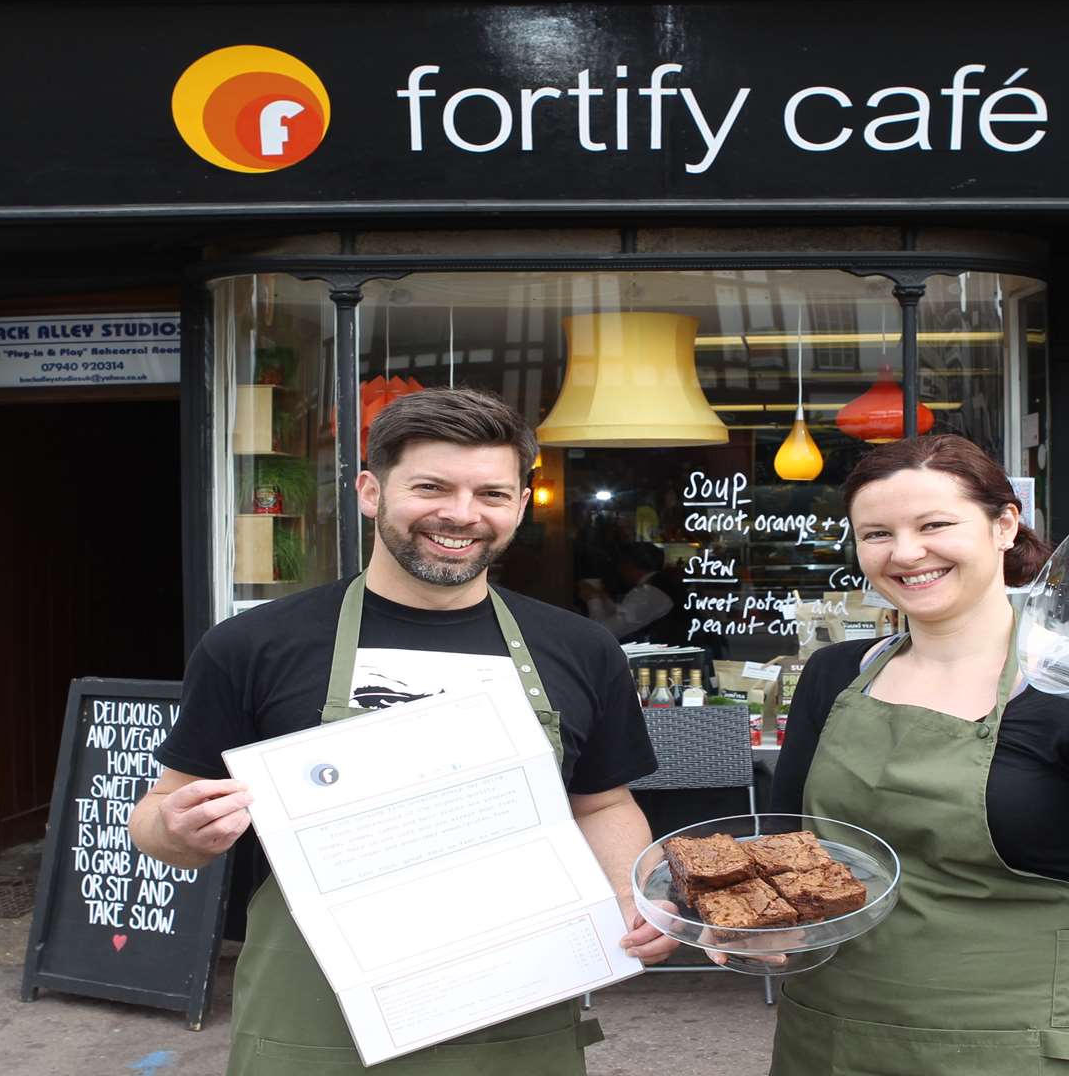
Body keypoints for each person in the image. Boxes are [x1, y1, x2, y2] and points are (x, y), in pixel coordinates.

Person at [131, 387, 678, 1075]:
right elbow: (156, 817)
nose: (461, 514)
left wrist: (635, 894)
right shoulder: (252, 646)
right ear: (370, 491)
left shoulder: (578, 648)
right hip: (318, 1026)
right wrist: (176, 833)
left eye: (492, 494)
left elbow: (600, 802)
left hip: (516, 1014)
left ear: (518, 504)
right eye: (431, 487)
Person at [767, 434, 1069, 1076]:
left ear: (1005, 524)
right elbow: (783, 841)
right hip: (832, 1036)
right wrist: (752, 922)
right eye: (876, 534)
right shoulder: (837, 673)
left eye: (934, 524)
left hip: (1022, 1044)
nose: (906, 553)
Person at [579, 541, 690, 644]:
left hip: (656, 660)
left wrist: (593, 598)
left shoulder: (648, 593)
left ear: (629, 565)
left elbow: (604, 633)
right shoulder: (656, 587)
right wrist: (603, 598)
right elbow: (624, 615)